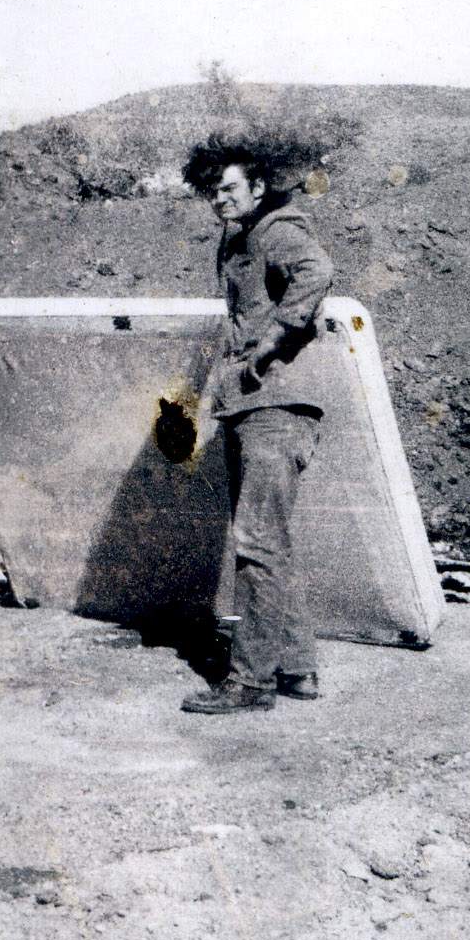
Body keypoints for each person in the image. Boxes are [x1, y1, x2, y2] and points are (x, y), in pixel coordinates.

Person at [178, 132, 335, 711]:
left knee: (256, 541)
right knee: (272, 542)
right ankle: (295, 668)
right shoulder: (242, 237)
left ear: (258, 187)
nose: (219, 199)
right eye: (211, 191)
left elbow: (317, 272)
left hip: (275, 405)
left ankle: (251, 682)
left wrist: (269, 345)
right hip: (255, 405)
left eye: (229, 188)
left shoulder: (275, 229)